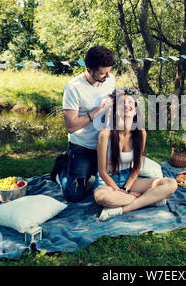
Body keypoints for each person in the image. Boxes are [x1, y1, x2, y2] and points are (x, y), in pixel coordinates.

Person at [52, 45, 163, 203]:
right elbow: (71, 126)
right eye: (103, 72)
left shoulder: (109, 78)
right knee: (74, 196)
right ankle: (62, 166)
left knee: (102, 179)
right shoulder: (73, 88)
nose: (107, 76)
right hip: (83, 146)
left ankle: (89, 172)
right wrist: (98, 109)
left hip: (107, 142)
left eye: (109, 71)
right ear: (89, 69)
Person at [93, 88, 178, 221]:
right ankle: (149, 199)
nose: (126, 105)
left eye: (130, 102)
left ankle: (122, 209)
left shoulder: (141, 133)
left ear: (135, 109)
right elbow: (102, 172)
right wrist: (120, 191)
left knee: (170, 183)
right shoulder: (105, 134)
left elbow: (137, 168)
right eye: (122, 103)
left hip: (129, 180)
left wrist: (126, 189)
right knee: (102, 198)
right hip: (107, 181)